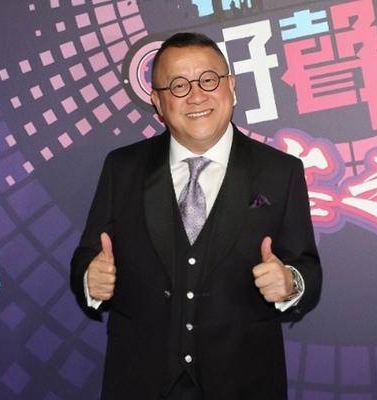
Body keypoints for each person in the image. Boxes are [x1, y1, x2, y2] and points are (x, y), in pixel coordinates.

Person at [70, 32, 322, 400]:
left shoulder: (280, 171)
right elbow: (87, 255)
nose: (196, 95)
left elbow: (308, 267)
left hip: (246, 382)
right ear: (157, 100)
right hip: (140, 381)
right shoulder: (122, 168)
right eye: (178, 85)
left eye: (208, 80)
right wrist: (90, 280)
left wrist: (291, 283)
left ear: (231, 86)